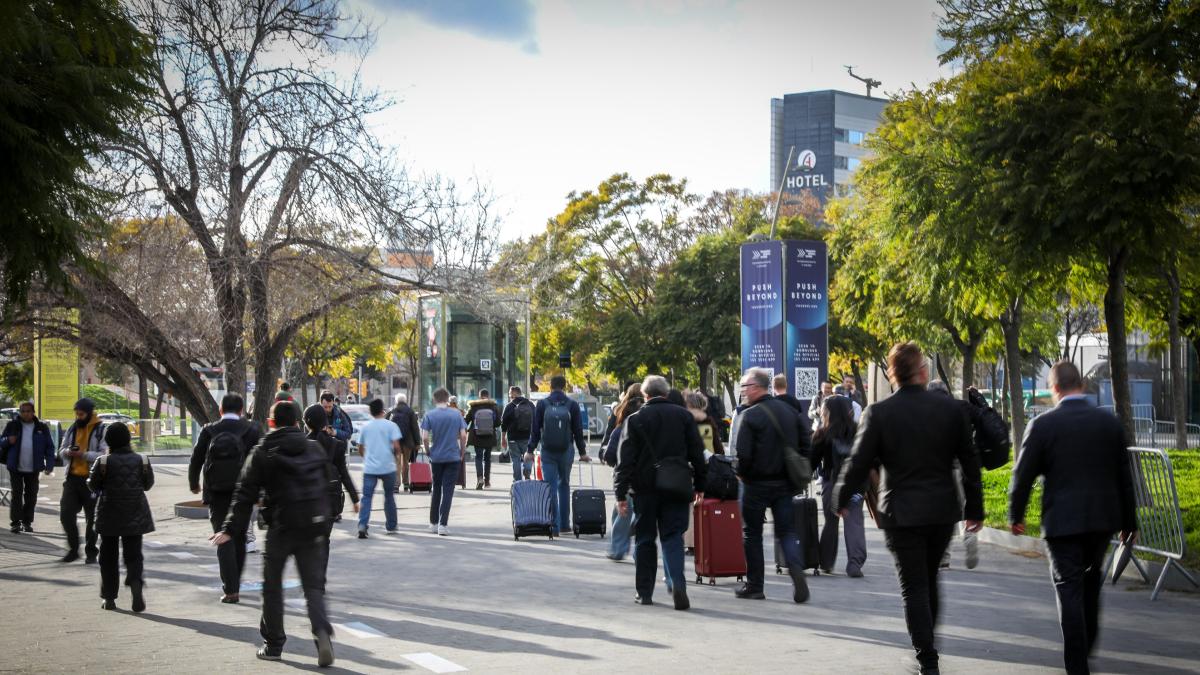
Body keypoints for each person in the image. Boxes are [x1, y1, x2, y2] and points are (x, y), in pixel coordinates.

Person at [835, 342, 983, 675]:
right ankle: (929, 648)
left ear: (892, 375)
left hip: (900, 512)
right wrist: (975, 507)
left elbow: (858, 462)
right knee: (929, 579)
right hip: (943, 510)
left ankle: (926, 657)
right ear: (922, 372)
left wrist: (841, 498)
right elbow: (969, 462)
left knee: (913, 584)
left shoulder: (880, 412)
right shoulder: (949, 410)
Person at [1009, 360, 1136, 675]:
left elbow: (1022, 476)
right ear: (1081, 384)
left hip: (1062, 524)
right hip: (1100, 522)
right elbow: (1125, 476)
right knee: (1091, 585)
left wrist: (1016, 514)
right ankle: (1088, 642)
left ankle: (1077, 665)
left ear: (1054, 388)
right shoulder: (1109, 424)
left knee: (1068, 588)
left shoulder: (1043, 425)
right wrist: (1129, 523)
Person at [212, 401, 335, 667]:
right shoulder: (314, 447)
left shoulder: (263, 451)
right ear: (296, 423)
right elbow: (327, 483)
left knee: (272, 586)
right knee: (313, 586)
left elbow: (244, 494)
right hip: (313, 524)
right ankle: (322, 632)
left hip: (281, 526)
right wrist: (327, 520)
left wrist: (230, 529)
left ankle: (273, 644)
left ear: (271, 423)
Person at [614, 375, 705, 610]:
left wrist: (620, 493)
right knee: (673, 537)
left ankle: (644, 592)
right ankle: (677, 583)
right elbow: (697, 453)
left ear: (645, 395)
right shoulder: (684, 416)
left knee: (645, 539)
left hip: (644, 489)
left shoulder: (635, 420)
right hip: (676, 486)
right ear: (666, 393)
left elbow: (625, 460)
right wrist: (701, 486)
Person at [733, 368, 813, 603]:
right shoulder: (790, 412)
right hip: (784, 484)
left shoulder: (751, 415)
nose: (743, 392)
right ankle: (795, 569)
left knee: (752, 534)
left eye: (745, 387)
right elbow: (806, 444)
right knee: (786, 531)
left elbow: (743, 455)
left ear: (757, 387)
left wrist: (741, 475)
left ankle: (755, 586)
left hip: (756, 484)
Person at [188, 394, 262, 603]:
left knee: (222, 535)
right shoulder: (252, 429)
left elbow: (196, 459)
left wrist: (194, 483)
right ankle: (235, 581)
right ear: (241, 411)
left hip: (217, 492)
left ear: (221, 410)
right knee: (238, 536)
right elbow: (262, 460)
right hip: (244, 493)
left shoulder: (209, 430)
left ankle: (231, 589)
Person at [88, 422, 154, 612]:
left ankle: (109, 598)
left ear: (108, 440)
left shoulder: (103, 461)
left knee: (108, 557)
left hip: (109, 513)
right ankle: (135, 581)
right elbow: (147, 484)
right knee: (134, 555)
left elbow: (93, 486)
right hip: (135, 512)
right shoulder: (142, 460)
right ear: (128, 438)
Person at [530, 375, 592, 535]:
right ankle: (565, 524)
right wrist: (583, 452)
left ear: (550, 386)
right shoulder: (572, 405)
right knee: (564, 484)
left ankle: (554, 526)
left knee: (550, 486)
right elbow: (578, 431)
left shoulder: (542, 404)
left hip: (548, 450)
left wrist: (529, 450)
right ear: (564, 386)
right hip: (566, 450)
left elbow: (535, 430)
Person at [811, 395, 866, 577]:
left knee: (830, 522)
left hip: (830, 484)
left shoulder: (822, 434)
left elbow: (811, 462)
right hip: (855, 485)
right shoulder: (859, 432)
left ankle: (826, 562)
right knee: (854, 523)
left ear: (828, 413)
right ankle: (855, 564)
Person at [58, 398, 107, 563]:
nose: (78, 417)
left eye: (81, 414)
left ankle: (91, 552)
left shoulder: (101, 429)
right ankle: (73, 549)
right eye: (77, 414)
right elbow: (61, 449)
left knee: (92, 518)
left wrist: (84, 454)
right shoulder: (73, 428)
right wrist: (68, 452)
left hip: (92, 480)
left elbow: (104, 454)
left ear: (89, 413)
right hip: (72, 478)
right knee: (66, 514)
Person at [603, 383, 644, 562]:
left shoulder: (620, 413)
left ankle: (618, 548)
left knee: (622, 509)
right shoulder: (649, 413)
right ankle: (639, 550)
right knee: (637, 511)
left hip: (624, 471)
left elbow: (609, 443)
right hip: (645, 473)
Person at [1, 402, 55, 533]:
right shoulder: (12, 425)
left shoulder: (41, 427)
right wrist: (9, 440)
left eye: (28, 411)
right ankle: (15, 522)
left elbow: (49, 447)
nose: (25, 413)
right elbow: (1, 440)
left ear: (33, 412)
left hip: (34, 468)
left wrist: (49, 465)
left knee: (31, 496)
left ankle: (27, 521)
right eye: (23, 411)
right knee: (16, 495)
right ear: (20, 412)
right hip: (15, 467)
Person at [304, 404, 360, 529]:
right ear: (325, 421)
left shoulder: (302, 444)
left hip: (307, 500)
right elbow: (344, 474)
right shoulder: (337, 445)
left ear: (307, 423)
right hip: (330, 500)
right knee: (324, 539)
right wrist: (355, 499)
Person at [421, 388, 467, 535]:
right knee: (448, 491)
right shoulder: (456, 414)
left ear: (434, 399)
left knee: (436, 489)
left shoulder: (429, 415)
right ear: (447, 399)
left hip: (436, 457)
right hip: (453, 456)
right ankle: (443, 524)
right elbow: (463, 435)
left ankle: (433, 523)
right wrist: (462, 451)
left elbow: (425, 437)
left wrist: (429, 451)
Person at [356, 398, 402, 539]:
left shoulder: (365, 427)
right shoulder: (391, 426)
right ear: (383, 410)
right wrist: (396, 458)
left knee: (367, 497)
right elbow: (396, 447)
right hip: (388, 467)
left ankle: (363, 525)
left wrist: (366, 458)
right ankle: (391, 525)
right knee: (389, 496)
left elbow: (360, 447)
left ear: (370, 411)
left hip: (370, 468)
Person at [465, 389, 500, 490]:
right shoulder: (493, 407)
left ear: (479, 396)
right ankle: (487, 481)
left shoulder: (474, 407)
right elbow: (498, 423)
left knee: (478, 457)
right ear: (488, 396)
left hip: (477, 436)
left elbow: (466, 420)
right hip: (489, 436)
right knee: (487, 458)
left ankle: (479, 478)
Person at [386, 393, 421, 492]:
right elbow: (415, 428)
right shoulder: (410, 411)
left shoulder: (392, 411)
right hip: (408, 442)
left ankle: (396, 485)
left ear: (396, 401)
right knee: (405, 462)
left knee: (396, 462)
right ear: (405, 401)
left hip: (395, 441)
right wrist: (417, 442)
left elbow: (386, 425)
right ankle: (406, 484)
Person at [500, 386, 535, 481]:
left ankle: (517, 480)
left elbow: (503, 424)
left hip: (512, 438)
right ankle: (527, 470)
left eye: (510, 394)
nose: (509, 396)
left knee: (515, 459)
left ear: (514, 394)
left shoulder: (509, 406)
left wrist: (503, 438)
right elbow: (536, 421)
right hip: (527, 437)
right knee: (528, 455)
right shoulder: (530, 405)